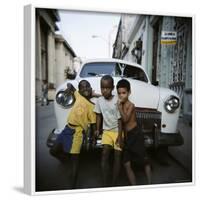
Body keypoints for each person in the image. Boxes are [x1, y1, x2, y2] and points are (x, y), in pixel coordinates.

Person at [50, 80, 99, 188]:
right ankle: (67, 160)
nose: (85, 89)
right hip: (67, 129)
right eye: (82, 87)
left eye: (87, 87)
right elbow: (70, 85)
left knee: (75, 161)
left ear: (91, 88)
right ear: (80, 90)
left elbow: (93, 124)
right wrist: (68, 89)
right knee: (53, 151)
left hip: (77, 133)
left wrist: (93, 138)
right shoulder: (78, 95)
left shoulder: (92, 106)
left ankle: (73, 184)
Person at [116, 79, 152, 185]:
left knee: (144, 160)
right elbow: (121, 123)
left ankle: (150, 184)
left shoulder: (130, 105)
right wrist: (120, 136)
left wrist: (119, 107)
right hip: (128, 137)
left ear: (129, 92)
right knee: (126, 163)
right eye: (119, 93)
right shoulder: (121, 104)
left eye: (124, 93)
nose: (121, 95)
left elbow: (126, 119)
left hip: (136, 134)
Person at [94, 75, 122, 186]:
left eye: (107, 88)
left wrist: (120, 136)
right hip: (107, 131)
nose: (105, 90)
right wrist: (97, 129)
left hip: (118, 131)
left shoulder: (117, 100)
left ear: (112, 88)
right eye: (102, 88)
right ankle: (106, 182)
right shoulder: (100, 100)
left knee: (117, 156)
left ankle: (114, 182)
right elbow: (98, 116)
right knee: (104, 154)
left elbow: (120, 120)